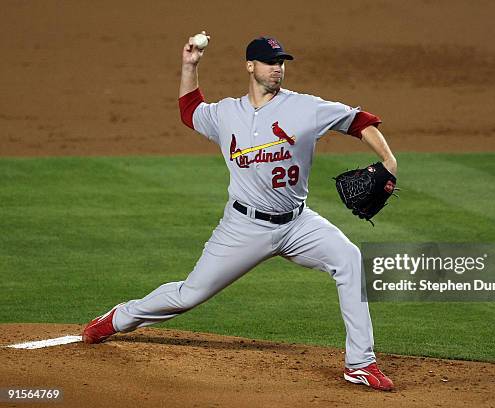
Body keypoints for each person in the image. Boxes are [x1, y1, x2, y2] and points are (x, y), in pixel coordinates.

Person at [82, 32, 397, 391]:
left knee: (349, 259)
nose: (277, 69)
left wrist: (388, 160)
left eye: (281, 63)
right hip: (243, 226)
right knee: (188, 295)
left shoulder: (306, 107)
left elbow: (360, 121)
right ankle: (118, 318)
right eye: (270, 62)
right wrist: (189, 65)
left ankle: (360, 363)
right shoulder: (226, 113)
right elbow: (190, 111)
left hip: (298, 223)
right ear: (251, 66)